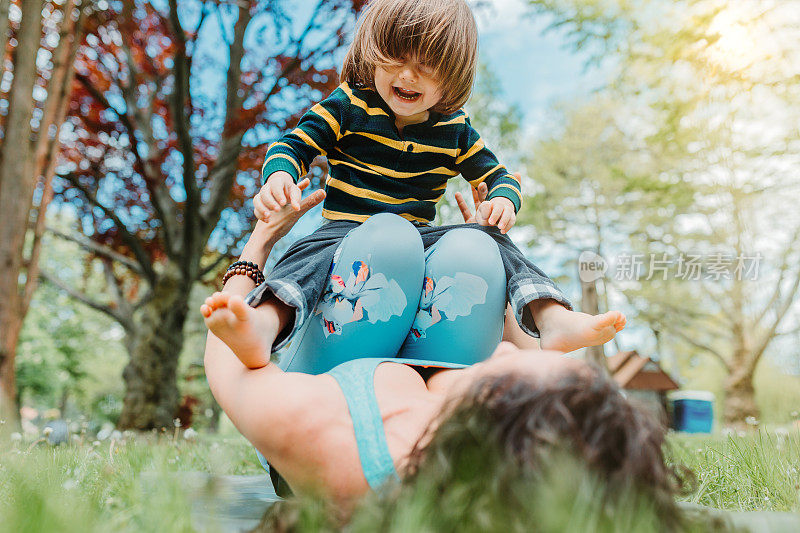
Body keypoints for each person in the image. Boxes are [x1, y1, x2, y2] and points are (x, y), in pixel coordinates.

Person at [200, 196, 679, 521]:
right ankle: (479, 247)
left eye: (517, 363)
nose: (509, 346)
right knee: (474, 251)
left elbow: (227, 367)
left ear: (504, 408)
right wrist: (490, 245)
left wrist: (259, 243)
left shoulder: (334, 443)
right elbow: (515, 351)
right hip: (441, 404)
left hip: (347, 395)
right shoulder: (498, 441)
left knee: (388, 239)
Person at [239, 0, 626, 374]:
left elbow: (499, 176)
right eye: (396, 59)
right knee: (307, 256)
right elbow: (294, 144)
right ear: (373, 53)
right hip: (344, 231)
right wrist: (280, 176)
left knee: (492, 239)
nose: (408, 76)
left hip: (420, 239)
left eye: (427, 67)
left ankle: (550, 316)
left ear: (452, 77)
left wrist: (505, 201)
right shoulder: (348, 105)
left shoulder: (453, 129)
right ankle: (266, 323)